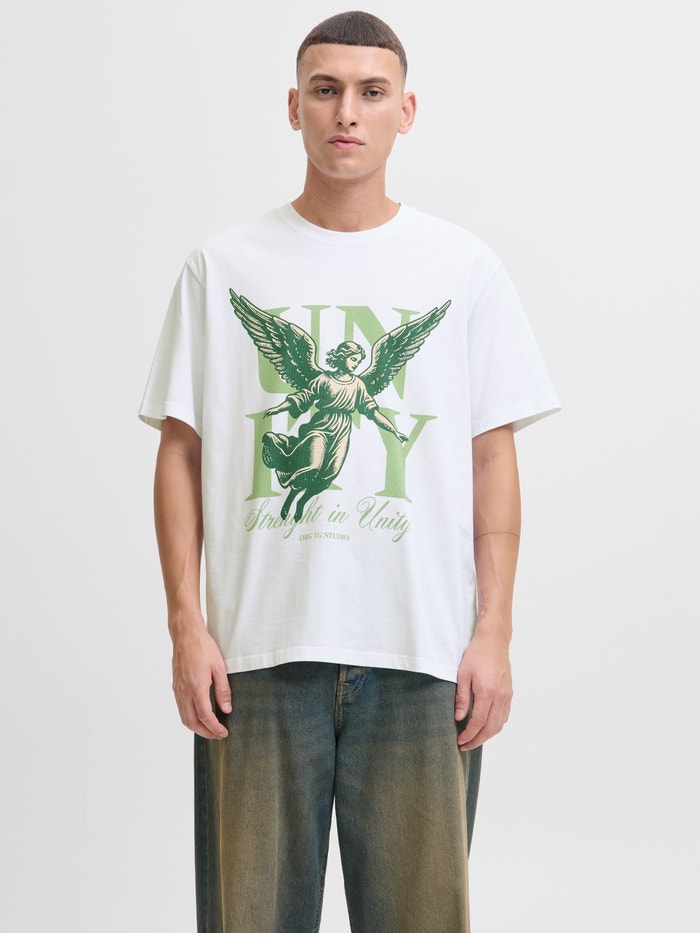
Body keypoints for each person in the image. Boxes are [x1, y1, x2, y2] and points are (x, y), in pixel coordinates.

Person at [139, 10, 560, 932]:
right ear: (294, 106)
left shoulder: (464, 269)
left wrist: (494, 631)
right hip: (257, 664)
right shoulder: (223, 267)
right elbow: (182, 452)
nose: (347, 112)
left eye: (372, 92)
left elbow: (492, 457)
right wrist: (186, 626)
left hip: (422, 661)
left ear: (406, 111)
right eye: (326, 90)